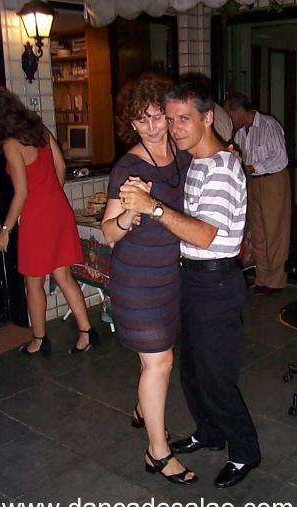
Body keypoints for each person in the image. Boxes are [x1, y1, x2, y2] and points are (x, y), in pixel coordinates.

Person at [120, 77, 261, 489]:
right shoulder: (196, 160)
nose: (174, 128)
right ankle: (209, 431)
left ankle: (244, 450)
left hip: (215, 282)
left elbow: (204, 235)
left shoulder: (221, 168)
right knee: (193, 372)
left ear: (207, 117)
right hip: (192, 279)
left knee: (216, 376)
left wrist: (153, 208)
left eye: (184, 119)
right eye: (170, 119)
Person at [101, 74, 197, 485]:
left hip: (170, 275)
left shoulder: (181, 153)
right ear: (132, 123)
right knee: (161, 361)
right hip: (137, 279)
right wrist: (128, 213)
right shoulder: (128, 167)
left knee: (156, 359)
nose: (153, 127)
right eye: (142, 120)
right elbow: (108, 232)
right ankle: (157, 452)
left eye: (158, 116)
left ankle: (145, 408)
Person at [0, 86, 99, 356]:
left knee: (33, 284)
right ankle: (86, 333)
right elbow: (60, 167)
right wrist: (51, 195)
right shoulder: (37, 128)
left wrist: (5, 229)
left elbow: (21, 193)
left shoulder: (10, 144)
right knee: (63, 276)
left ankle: (39, 340)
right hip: (58, 209)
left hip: (37, 217)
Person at [223, 93, 291, 296]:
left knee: (275, 232)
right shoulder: (240, 134)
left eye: (230, 115)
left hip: (273, 180)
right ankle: (262, 278)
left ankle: (276, 281)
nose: (229, 120)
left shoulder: (269, 125)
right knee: (258, 232)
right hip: (252, 183)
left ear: (239, 110)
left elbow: (280, 157)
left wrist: (252, 167)